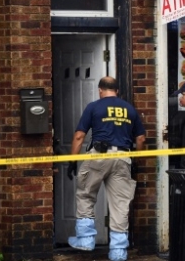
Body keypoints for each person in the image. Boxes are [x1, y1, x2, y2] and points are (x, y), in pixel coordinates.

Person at [67, 76, 146, 261]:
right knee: (120, 204)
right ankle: (118, 252)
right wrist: (135, 160)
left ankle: (86, 239)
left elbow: (79, 136)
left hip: (99, 155)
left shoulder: (94, 106)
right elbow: (141, 138)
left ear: (100, 90)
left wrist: (72, 161)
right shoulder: (130, 109)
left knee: (86, 194)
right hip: (123, 157)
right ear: (117, 90)